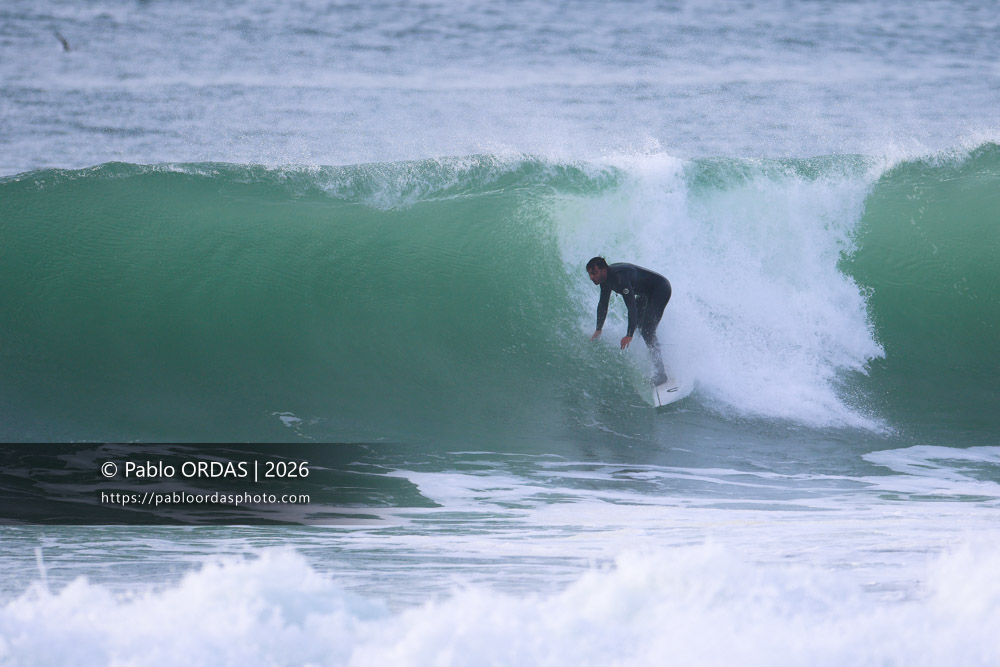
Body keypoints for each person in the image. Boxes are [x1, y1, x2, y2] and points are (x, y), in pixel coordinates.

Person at [587, 257, 671, 385]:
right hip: (646, 293)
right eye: (590, 274)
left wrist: (629, 335)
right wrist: (599, 328)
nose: (591, 277)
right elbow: (603, 303)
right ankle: (656, 353)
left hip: (660, 289)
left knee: (647, 331)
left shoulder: (619, 278)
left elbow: (632, 307)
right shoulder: (605, 280)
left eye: (594, 273)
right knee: (639, 327)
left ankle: (661, 374)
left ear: (603, 270)